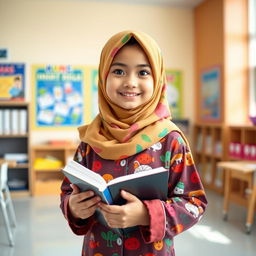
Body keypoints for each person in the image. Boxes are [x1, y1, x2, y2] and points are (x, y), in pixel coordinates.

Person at [60, 30, 207, 256]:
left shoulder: (171, 140)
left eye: (143, 72)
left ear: (157, 80)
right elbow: (68, 191)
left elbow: (194, 202)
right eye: (118, 71)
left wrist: (147, 214)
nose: (130, 82)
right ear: (103, 76)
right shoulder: (90, 140)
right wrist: (73, 206)